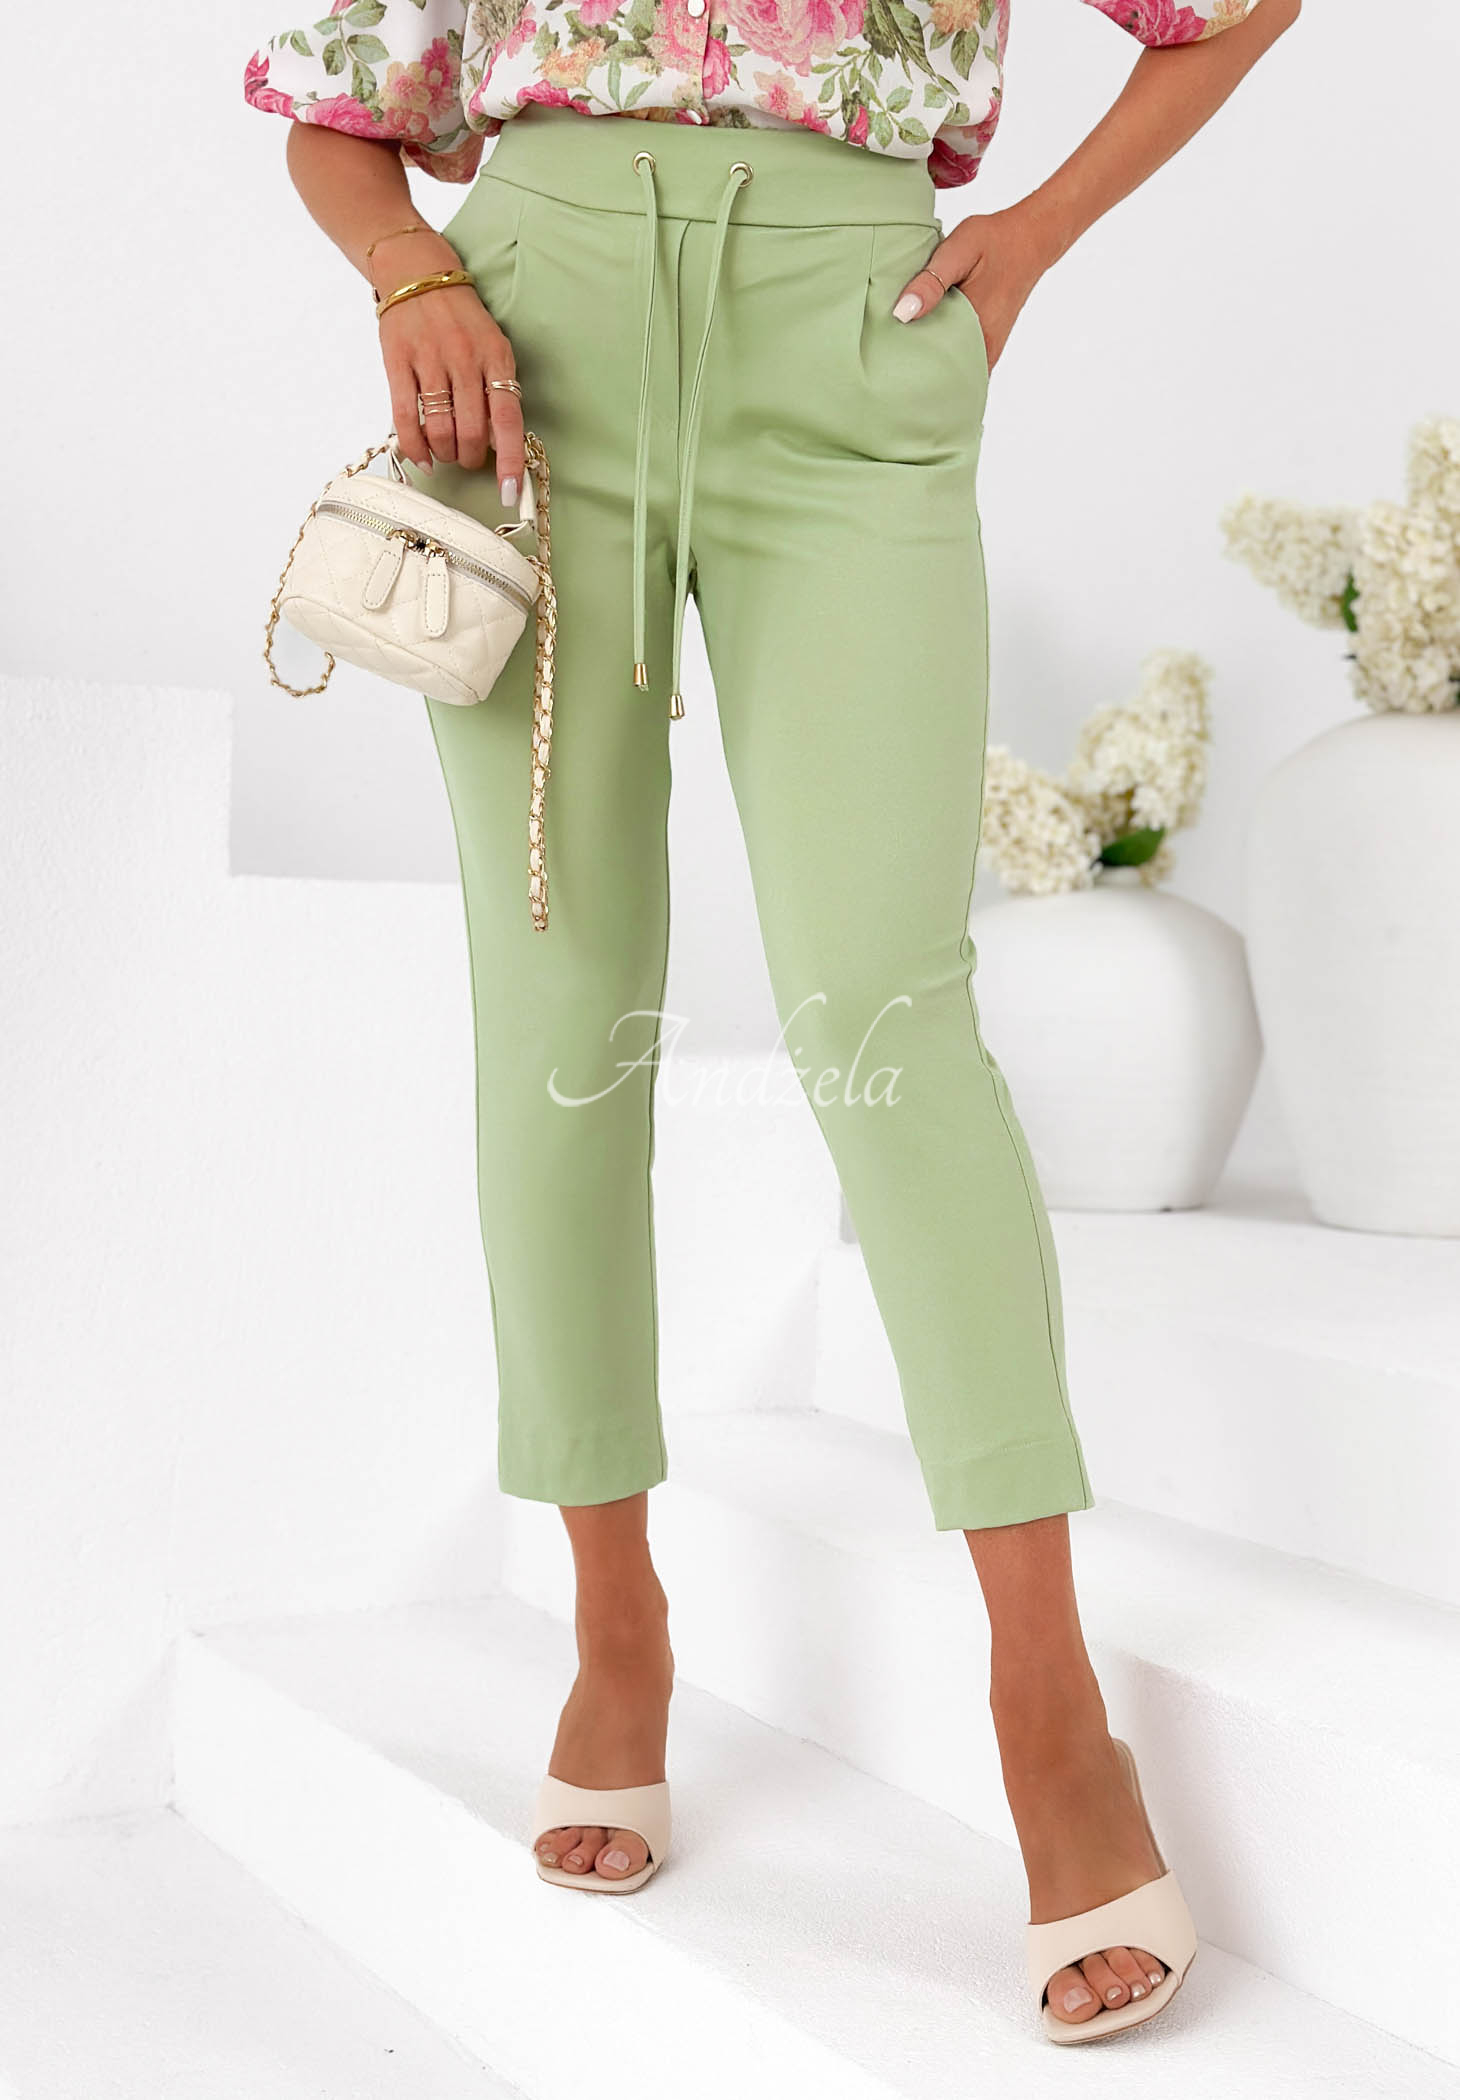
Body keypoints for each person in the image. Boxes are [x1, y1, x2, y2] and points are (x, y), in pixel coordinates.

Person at [246, 0, 1300, 2043]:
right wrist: (408, 267)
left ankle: (1047, 1698)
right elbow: (335, 109)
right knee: (559, 1007)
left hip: (855, 344)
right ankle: (615, 1621)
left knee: (881, 1011)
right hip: (525, 359)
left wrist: (1035, 234)